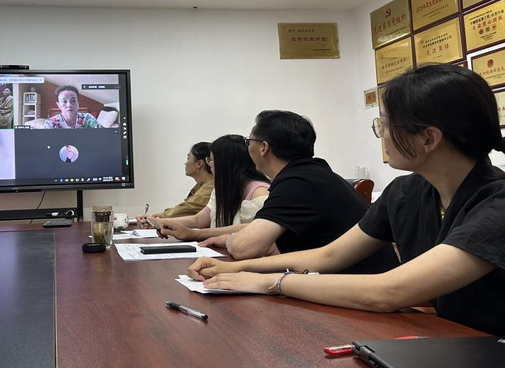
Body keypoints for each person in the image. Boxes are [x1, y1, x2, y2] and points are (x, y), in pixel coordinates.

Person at [188, 64, 505, 340]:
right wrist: (239, 269)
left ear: (429, 138)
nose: (381, 135)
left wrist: (270, 282)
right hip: (455, 344)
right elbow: (328, 256)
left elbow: (389, 292)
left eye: (385, 125)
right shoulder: (406, 192)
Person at [162, 112, 397, 272]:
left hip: (359, 295)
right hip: (344, 283)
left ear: (264, 147)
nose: (247, 148)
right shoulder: (309, 173)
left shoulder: (297, 181)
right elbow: (260, 232)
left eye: (249, 141)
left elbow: (245, 247)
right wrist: (216, 237)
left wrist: (231, 240)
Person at [147, 135, 270, 235]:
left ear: (225, 164)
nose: (209, 165)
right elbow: (198, 220)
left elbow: (253, 231)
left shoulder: (259, 192)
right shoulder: (221, 189)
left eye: (210, 160)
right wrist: (161, 222)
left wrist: (194, 234)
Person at [137, 142, 214, 223]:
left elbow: (186, 210)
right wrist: (154, 218)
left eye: (188, 158)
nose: (185, 163)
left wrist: (155, 219)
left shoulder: (210, 186)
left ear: (199, 164)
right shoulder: (202, 185)